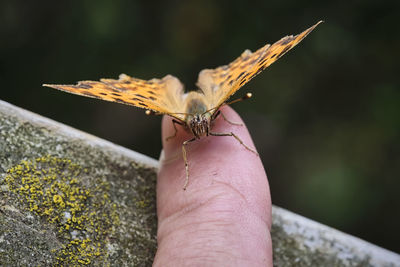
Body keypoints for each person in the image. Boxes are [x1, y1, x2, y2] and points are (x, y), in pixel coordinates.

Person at [154, 105, 272, 266]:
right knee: (183, 142)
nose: (201, 128)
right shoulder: (184, 124)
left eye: (203, 123)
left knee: (229, 128)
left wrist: (244, 145)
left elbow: (221, 115)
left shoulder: (212, 112)